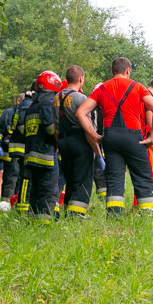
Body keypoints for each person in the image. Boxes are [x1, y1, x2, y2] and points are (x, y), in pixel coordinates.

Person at [77, 57, 153, 216]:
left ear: (112, 71)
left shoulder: (101, 89)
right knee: (143, 176)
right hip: (133, 136)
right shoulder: (137, 86)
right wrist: (152, 135)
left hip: (110, 137)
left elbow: (81, 112)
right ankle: (148, 215)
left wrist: (94, 135)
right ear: (128, 71)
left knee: (114, 178)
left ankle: (114, 215)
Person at [18, 71, 62, 219]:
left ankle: (33, 220)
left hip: (31, 156)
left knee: (35, 191)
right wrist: (59, 140)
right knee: (48, 191)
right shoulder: (48, 102)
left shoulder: (32, 105)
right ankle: (45, 222)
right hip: (46, 155)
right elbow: (50, 127)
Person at [54, 65, 94, 218]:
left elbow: (56, 126)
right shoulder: (81, 98)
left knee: (69, 178)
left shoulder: (56, 98)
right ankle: (76, 214)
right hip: (80, 141)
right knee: (83, 178)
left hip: (63, 142)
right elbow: (88, 126)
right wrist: (96, 148)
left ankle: (67, 208)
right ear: (80, 79)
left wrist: (60, 144)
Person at [0, 95, 22, 201]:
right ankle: (6, 203)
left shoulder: (24, 113)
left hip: (20, 154)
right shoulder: (8, 113)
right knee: (10, 179)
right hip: (7, 153)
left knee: (19, 179)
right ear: (18, 100)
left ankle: (14, 202)